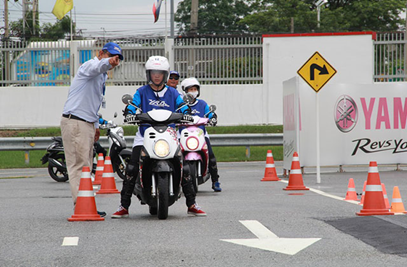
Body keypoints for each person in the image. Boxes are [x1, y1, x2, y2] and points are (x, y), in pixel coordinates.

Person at [111, 56, 206, 218]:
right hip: (145, 134)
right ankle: (123, 206)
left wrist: (186, 114)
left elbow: (183, 107)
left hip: (169, 134)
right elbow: (133, 106)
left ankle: (191, 204)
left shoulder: (173, 93)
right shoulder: (141, 92)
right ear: (149, 74)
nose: (156, 76)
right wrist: (130, 113)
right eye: (153, 73)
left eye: (160, 73)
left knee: (185, 167)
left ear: (165, 75)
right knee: (132, 168)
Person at [61, 42, 123, 217]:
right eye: (111, 55)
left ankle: (86, 203)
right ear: (100, 53)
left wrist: (95, 126)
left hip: (86, 122)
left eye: (117, 58)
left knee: (86, 165)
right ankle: (81, 204)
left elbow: (94, 103)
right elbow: (97, 65)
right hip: (76, 121)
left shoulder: (101, 76)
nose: (114, 61)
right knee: (79, 166)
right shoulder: (89, 66)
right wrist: (108, 62)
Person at [181, 77, 222, 192]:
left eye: (195, 89)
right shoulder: (181, 104)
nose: (193, 91)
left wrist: (212, 118)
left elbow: (209, 113)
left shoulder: (202, 104)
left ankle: (215, 181)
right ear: (185, 91)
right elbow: (175, 114)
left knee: (212, 157)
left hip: (200, 135)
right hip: (183, 135)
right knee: (175, 156)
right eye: (190, 89)